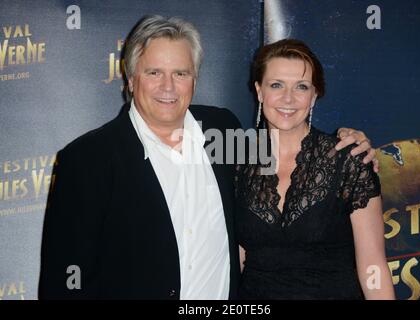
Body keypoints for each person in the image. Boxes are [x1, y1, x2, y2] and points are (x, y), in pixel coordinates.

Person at [39, 16, 376, 300]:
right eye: (154, 72)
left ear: (195, 80)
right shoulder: (86, 161)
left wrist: (351, 143)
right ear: (130, 78)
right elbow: (64, 282)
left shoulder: (223, 133)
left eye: (181, 73)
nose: (168, 86)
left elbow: (295, 156)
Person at [236, 39, 395, 299]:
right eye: (276, 85)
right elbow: (239, 257)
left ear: (314, 95)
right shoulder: (238, 162)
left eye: (301, 87)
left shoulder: (350, 160)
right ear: (259, 91)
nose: (288, 98)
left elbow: (373, 265)